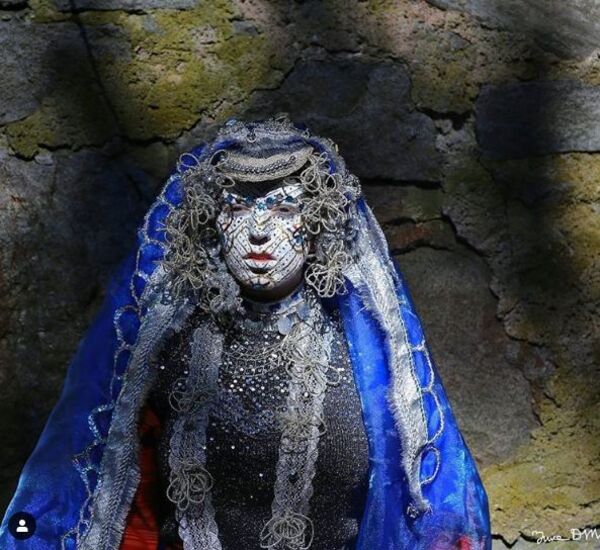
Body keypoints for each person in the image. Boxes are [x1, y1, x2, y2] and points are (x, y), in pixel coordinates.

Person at [0, 117, 491, 550]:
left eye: (283, 210)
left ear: (317, 222)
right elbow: (124, 508)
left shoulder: (370, 364)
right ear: (210, 221)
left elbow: (430, 515)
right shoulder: (165, 351)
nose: (258, 232)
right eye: (236, 209)